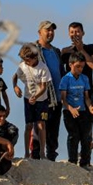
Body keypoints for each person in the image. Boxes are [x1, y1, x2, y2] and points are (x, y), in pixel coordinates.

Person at [60, 22, 93, 162]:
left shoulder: (90, 47)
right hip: (70, 97)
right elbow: (61, 74)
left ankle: (85, 161)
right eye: (72, 32)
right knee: (73, 134)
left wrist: (81, 50)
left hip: (86, 92)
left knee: (86, 133)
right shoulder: (65, 52)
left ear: (83, 33)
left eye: (77, 31)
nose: (75, 34)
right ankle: (72, 161)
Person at [12, 43, 51, 159]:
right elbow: (15, 77)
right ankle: (26, 153)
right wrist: (15, 87)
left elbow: (44, 87)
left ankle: (42, 153)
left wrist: (36, 96)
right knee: (28, 125)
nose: (26, 62)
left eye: (28, 60)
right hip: (28, 99)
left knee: (41, 124)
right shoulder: (22, 66)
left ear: (35, 58)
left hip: (42, 99)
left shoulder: (43, 68)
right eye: (24, 60)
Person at [35, 20, 63, 161]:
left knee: (53, 129)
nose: (50, 32)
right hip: (41, 96)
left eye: (52, 30)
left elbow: (61, 72)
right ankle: (36, 155)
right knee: (39, 126)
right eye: (47, 30)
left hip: (56, 97)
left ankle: (51, 156)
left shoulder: (56, 51)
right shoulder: (34, 50)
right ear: (40, 32)